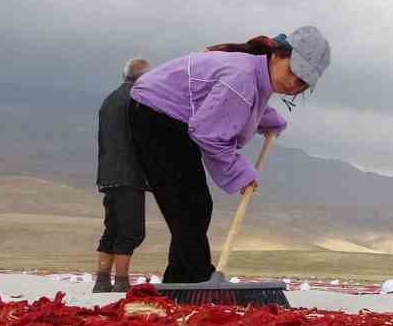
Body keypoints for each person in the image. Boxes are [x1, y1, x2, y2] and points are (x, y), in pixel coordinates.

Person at [127, 26, 330, 284]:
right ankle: (196, 277)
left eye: (302, 83)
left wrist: (267, 119)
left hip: (170, 116)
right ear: (277, 55)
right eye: (293, 72)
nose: (293, 84)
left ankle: (180, 280)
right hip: (156, 113)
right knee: (190, 203)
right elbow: (210, 133)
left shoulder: (254, 76)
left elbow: (241, 104)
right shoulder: (241, 78)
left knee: (193, 203)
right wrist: (240, 173)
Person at [94, 57, 150, 293]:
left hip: (108, 173)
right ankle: (122, 282)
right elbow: (145, 140)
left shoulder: (109, 100)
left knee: (113, 227)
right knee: (132, 230)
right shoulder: (138, 100)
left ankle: (102, 281)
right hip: (129, 174)